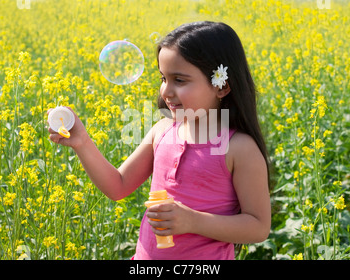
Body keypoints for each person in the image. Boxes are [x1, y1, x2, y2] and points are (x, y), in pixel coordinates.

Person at [48, 21, 271, 260]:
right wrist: (82, 142)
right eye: (163, 78)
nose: (166, 91)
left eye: (180, 80)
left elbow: (258, 226)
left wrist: (193, 221)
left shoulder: (239, 148)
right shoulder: (162, 130)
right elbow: (118, 185)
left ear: (221, 86)